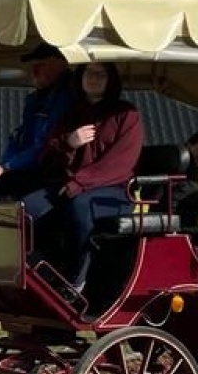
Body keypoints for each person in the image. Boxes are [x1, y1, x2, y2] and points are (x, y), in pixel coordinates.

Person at [21, 61, 143, 292]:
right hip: (70, 186)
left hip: (113, 191)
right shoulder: (72, 114)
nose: (94, 78)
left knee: (79, 207)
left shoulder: (127, 115)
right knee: (26, 209)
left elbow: (119, 164)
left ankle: (77, 279)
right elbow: (48, 153)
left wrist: (80, 182)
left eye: (101, 74)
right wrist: (69, 142)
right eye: (89, 73)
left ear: (110, 80)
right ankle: (40, 270)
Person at [0, 42, 75, 200]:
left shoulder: (67, 98)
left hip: (51, 173)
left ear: (59, 64)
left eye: (40, 66)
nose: (33, 72)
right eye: (33, 67)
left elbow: (46, 144)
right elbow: (20, 138)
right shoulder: (35, 100)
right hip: (27, 168)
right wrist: (5, 165)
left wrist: (7, 167)